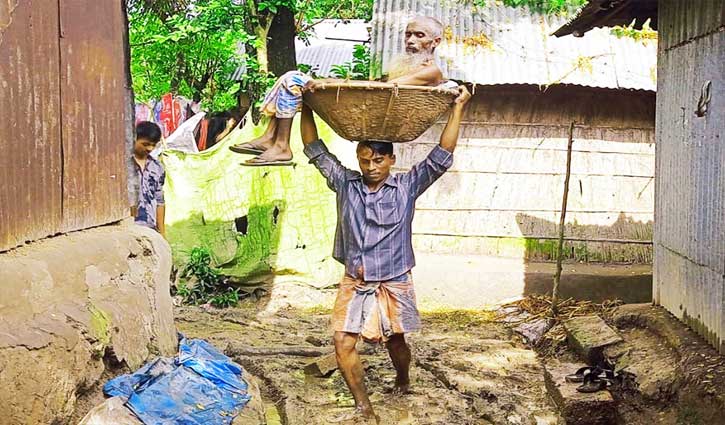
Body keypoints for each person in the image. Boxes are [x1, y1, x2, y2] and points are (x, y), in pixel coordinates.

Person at [298, 84, 471, 422]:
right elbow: (313, 148)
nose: (371, 167)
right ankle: (364, 407)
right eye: (365, 160)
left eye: (378, 160)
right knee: (343, 343)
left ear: (391, 159)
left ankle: (403, 377)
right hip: (356, 279)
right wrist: (307, 105)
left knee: (396, 342)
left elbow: (442, 155)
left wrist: (458, 108)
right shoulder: (345, 183)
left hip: (395, 279)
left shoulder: (407, 186)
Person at [230, 16, 449, 166]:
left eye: (419, 35)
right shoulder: (407, 64)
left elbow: (387, 89)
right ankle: (272, 138)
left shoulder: (431, 71)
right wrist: (328, 82)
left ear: (435, 41)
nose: (411, 40)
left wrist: (328, 83)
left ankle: (279, 144)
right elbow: (381, 85)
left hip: (385, 118)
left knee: (293, 79)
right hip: (375, 110)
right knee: (292, 79)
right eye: (408, 34)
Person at [131, 121, 166, 237]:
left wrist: (162, 232)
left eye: (153, 145)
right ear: (134, 139)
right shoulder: (123, 165)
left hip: (150, 227)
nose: (150, 148)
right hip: (129, 227)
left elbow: (160, 201)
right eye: (145, 144)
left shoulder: (157, 168)